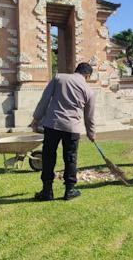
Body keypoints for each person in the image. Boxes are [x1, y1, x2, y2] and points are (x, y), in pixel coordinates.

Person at [31, 62, 96, 201]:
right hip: (72, 128)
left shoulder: (58, 78)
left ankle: (47, 191)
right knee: (70, 158)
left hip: (52, 124)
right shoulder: (89, 90)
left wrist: (36, 119)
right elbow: (89, 116)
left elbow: (45, 100)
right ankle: (69, 190)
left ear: (76, 70)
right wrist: (91, 133)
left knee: (48, 157)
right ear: (88, 75)